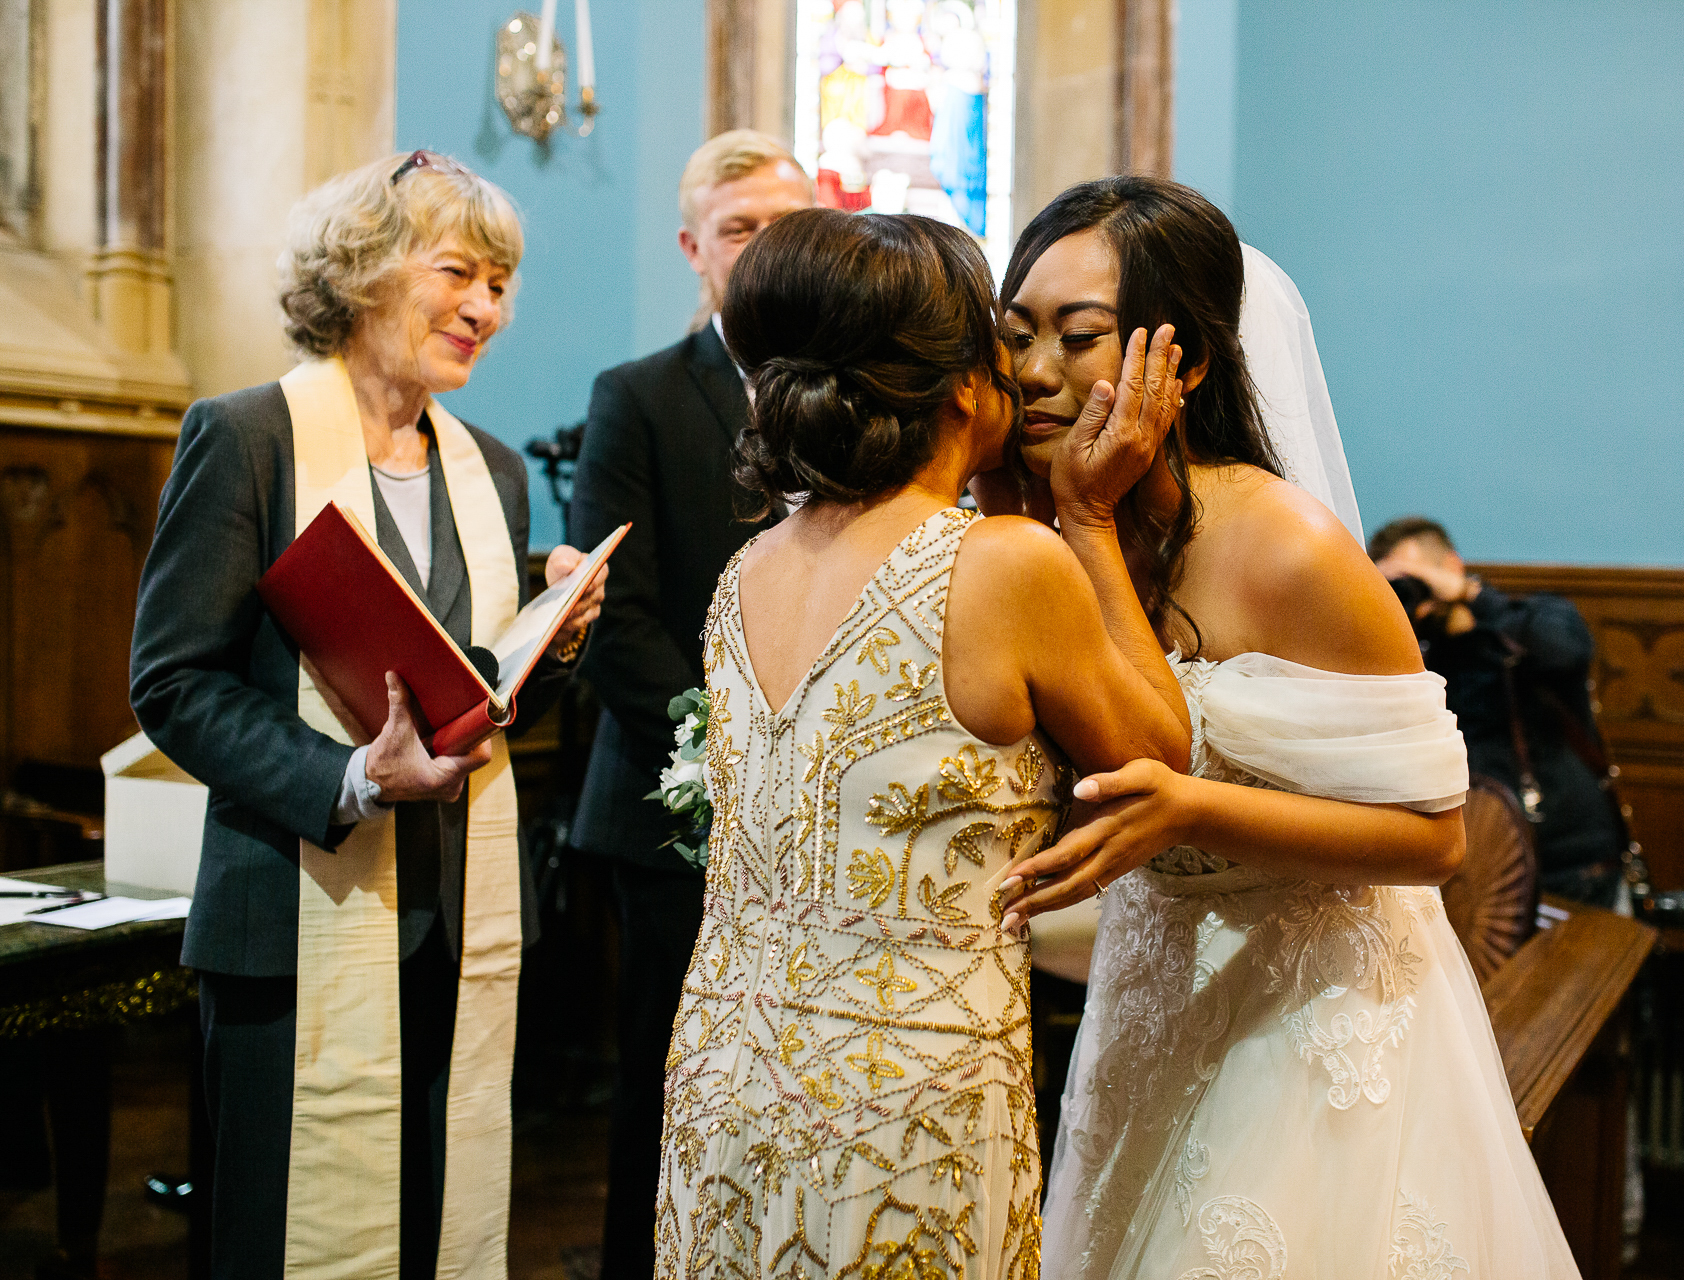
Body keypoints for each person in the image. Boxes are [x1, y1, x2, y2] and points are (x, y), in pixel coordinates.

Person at [988, 177, 1580, 1278]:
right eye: (1017, 335)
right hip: (1151, 997)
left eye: (1080, 337)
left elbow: (1434, 837)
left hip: (1314, 1024)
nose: (1034, 371)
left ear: (1189, 361)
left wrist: (1193, 807)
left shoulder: (1288, 548)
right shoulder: (1070, 529)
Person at [653, 208, 1190, 1276]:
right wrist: (1084, 519)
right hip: (905, 1095)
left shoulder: (744, 571)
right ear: (962, 386)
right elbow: (1157, 759)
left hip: (726, 1066)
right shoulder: (1008, 566)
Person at [129, 150, 605, 1280]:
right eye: (460, 272)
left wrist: (554, 642)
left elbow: (470, 692)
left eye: (501, 283)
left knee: (442, 1219)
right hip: (292, 919)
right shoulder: (247, 436)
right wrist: (347, 778)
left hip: (458, 911)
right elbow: (174, 680)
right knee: (283, 1234)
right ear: (364, 269)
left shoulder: (491, 470)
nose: (486, 307)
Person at [565, 128, 812, 1280]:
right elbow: (621, 619)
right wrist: (735, 750)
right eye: (741, 229)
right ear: (693, 247)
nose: (767, 251)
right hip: (675, 809)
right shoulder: (640, 397)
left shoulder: (847, 399)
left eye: (789, 226)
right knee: (670, 1078)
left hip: (820, 810)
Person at [1370, 516, 1625, 908]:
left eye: (1416, 573)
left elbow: (1564, 648)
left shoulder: (1525, 621)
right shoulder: (1417, 663)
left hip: (1569, 864)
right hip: (1476, 870)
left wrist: (1470, 594)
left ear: (1452, 565)